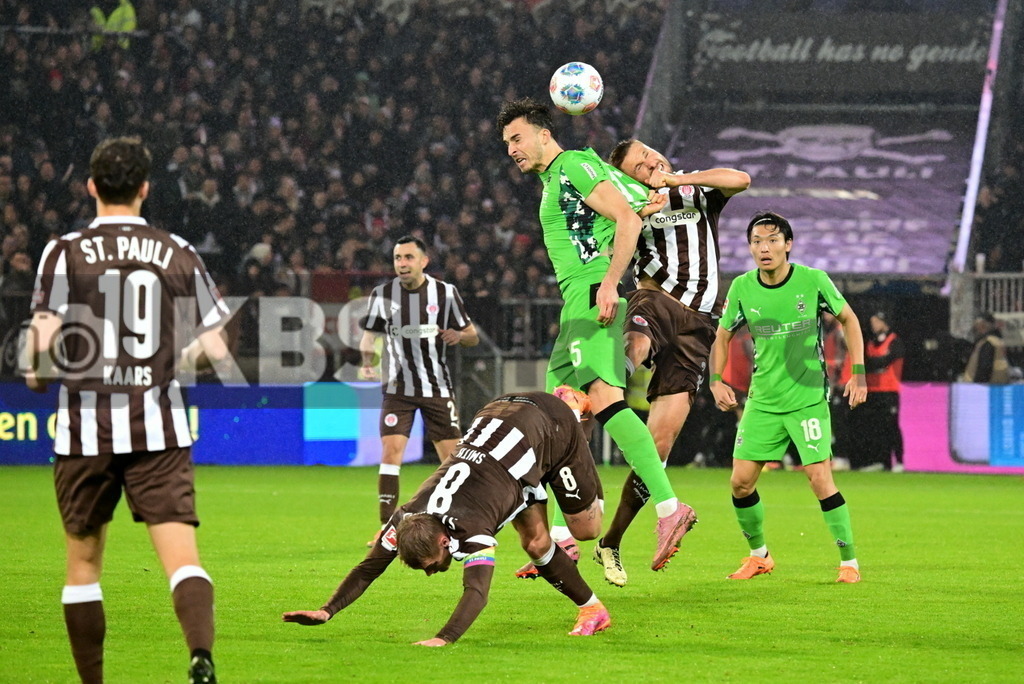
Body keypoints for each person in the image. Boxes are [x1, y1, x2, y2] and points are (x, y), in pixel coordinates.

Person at [24, 137, 229, 684]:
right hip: (159, 429)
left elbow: (40, 343)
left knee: (83, 566)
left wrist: (37, 374)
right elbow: (216, 348)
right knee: (183, 560)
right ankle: (200, 655)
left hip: (83, 432)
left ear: (91, 186)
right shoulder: (177, 250)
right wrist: (176, 361)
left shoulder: (64, 251)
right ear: (145, 188)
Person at [496, 98, 695, 575]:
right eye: (506, 143)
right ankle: (563, 539)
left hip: (591, 294)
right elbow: (629, 206)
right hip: (575, 305)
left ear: (544, 134)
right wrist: (647, 197)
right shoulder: (557, 177)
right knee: (557, 417)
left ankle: (669, 509)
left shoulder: (571, 164)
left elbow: (627, 220)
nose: (511, 149)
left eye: (517, 138)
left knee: (604, 400)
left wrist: (608, 283)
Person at [282, 389, 612, 643]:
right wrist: (327, 610)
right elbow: (368, 569)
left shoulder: (472, 529)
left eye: (430, 564)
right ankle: (593, 609)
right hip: (500, 417)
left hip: (551, 425)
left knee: (586, 528)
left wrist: (444, 638)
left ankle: (574, 410)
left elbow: (476, 592)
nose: (430, 573)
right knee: (536, 543)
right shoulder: (405, 518)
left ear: (444, 540)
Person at [592, 139, 750, 586]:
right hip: (655, 299)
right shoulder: (628, 204)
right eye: (638, 165)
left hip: (698, 323)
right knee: (637, 343)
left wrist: (676, 179)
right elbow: (605, 244)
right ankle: (599, 389)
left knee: (659, 446)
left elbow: (740, 179)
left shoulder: (695, 190)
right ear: (627, 177)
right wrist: (637, 208)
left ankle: (610, 542)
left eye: (648, 154)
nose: (649, 162)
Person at [709, 211, 868, 584]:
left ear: (788, 244)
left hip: (806, 398)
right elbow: (722, 335)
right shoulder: (742, 287)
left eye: (772, 240)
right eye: (756, 242)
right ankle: (759, 556)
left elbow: (850, 320)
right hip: (763, 402)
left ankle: (849, 562)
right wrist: (715, 380)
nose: (764, 248)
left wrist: (858, 373)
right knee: (740, 482)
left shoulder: (813, 280)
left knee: (819, 478)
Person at [359, 235, 479, 542]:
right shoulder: (383, 295)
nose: (402, 264)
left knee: (454, 462)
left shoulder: (445, 293)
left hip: (436, 388)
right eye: (397, 258)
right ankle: (388, 528)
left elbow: (472, 335)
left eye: (408, 257)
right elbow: (369, 337)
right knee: (390, 453)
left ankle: (463, 523)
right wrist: (368, 362)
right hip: (397, 388)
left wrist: (458, 336)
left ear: (424, 261)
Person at [853, 311, 905, 472]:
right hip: (873, 390)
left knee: (891, 426)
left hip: (889, 390)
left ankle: (899, 461)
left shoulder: (895, 341)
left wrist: (872, 363)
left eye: (876, 322)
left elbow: (881, 361)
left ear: (884, 322)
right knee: (875, 427)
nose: (873, 325)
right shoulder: (871, 342)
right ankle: (881, 461)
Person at [962, 312, 1010, 384]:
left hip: (984, 386)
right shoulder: (997, 341)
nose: (976, 329)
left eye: (979, 326)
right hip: (996, 385)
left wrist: (977, 384)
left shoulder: (988, 343)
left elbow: (984, 367)